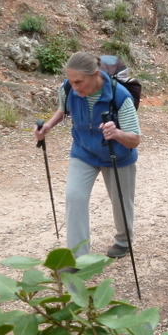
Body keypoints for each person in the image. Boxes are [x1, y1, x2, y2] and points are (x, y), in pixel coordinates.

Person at [34, 52, 141, 259]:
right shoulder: (67, 89)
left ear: (95, 75)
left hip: (117, 154)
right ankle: (78, 257)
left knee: (121, 201)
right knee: (74, 197)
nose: (74, 87)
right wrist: (47, 126)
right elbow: (63, 109)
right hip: (83, 151)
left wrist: (117, 133)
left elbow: (135, 139)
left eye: (78, 82)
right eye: (71, 82)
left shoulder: (120, 96)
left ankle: (123, 240)